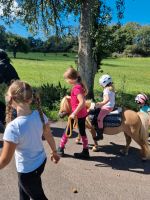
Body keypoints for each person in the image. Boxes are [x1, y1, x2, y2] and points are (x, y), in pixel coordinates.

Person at [0, 80, 60, 200]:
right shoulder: (40, 115)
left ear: (11, 99)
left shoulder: (14, 127)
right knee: (24, 193)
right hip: (41, 162)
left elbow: (5, 160)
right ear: (30, 98)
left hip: (27, 171)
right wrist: (54, 152)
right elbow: (48, 135)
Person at [57, 67, 90, 159]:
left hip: (77, 115)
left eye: (66, 79)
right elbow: (78, 100)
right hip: (82, 114)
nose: (66, 80)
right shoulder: (79, 85)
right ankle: (86, 151)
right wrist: (70, 98)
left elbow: (82, 102)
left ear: (71, 79)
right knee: (82, 132)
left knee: (67, 130)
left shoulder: (76, 88)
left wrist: (73, 113)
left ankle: (61, 148)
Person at [95, 74, 115, 140]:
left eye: (101, 84)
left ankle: (100, 134)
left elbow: (107, 99)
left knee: (99, 118)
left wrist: (101, 104)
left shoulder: (106, 90)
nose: (100, 85)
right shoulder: (112, 88)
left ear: (104, 83)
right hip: (111, 106)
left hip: (107, 107)